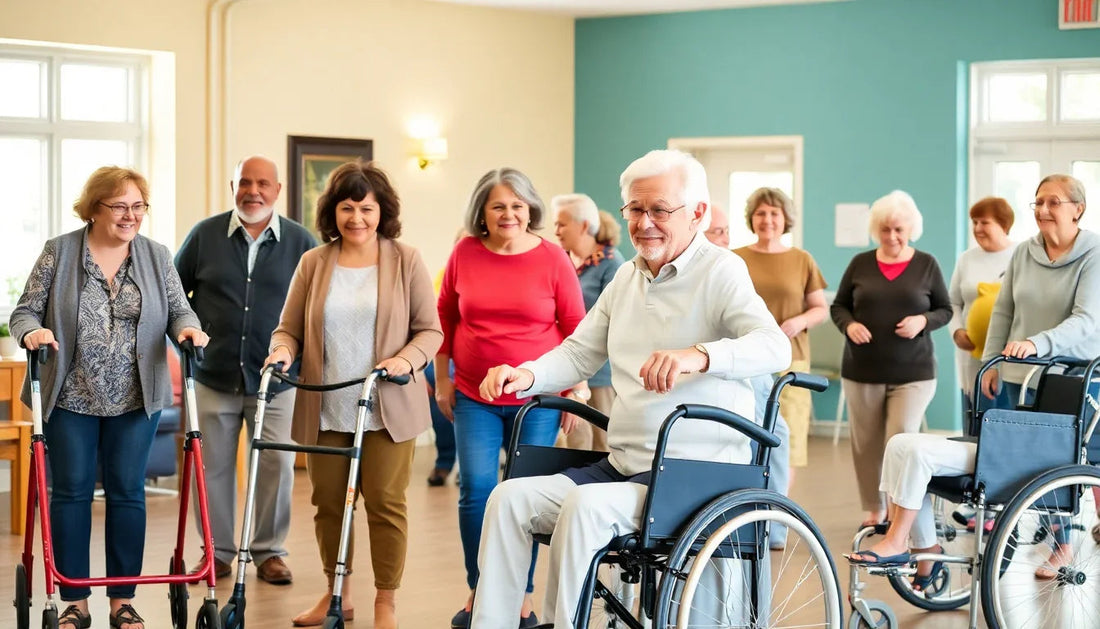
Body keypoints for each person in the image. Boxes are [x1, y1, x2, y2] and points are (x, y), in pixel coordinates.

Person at [469, 149, 791, 628]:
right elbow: (580, 353)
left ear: (697, 213)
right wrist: (528, 374)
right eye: (635, 210)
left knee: (582, 506)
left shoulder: (720, 270)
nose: (644, 224)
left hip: (692, 476)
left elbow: (774, 347)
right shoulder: (627, 277)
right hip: (624, 468)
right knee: (508, 498)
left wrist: (698, 355)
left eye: (659, 210)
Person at [848, 174, 1100, 583]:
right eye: (1038, 202)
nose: (1043, 210)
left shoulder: (1094, 253)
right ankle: (920, 547)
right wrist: (994, 360)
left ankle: (1061, 546)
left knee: (1051, 463)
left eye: (1053, 202)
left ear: (1078, 208)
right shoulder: (1025, 253)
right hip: (1020, 373)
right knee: (907, 444)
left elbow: (1088, 320)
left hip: (1069, 379)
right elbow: (1003, 310)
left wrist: (1038, 343)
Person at [9, 166, 209, 629]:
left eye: (138, 206)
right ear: (94, 208)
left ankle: (123, 600)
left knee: (127, 495)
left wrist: (187, 328)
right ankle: (75, 603)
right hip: (71, 395)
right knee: (72, 493)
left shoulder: (156, 257)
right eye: (119, 206)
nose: (130, 215)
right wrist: (33, 331)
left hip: (135, 398)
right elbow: (24, 310)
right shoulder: (59, 252)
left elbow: (180, 307)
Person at [265, 160, 442, 629]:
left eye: (366, 208)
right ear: (333, 212)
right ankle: (335, 593)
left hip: (387, 408)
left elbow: (430, 332)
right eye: (347, 208)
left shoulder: (406, 259)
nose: (357, 218)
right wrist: (281, 351)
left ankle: (386, 600)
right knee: (327, 503)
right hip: (326, 407)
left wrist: (405, 361)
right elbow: (288, 329)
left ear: (382, 211)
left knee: (385, 504)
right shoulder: (314, 262)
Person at [435, 168, 586, 628]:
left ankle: (520, 594)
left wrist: (574, 387)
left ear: (530, 209)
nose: (509, 214)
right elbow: (445, 317)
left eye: (518, 205)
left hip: (536, 399)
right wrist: (442, 378)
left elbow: (577, 327)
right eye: (499, 205)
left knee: (524, 497)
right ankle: (481, 586)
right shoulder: (464, 252)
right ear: (482, 211)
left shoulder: (553, 258)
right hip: (472, 395)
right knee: (476, 491)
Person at [174, 155, 317, 584]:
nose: (252, 191)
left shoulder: (301, 242)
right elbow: (174, 296)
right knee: (211, 466)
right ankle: (216, 553)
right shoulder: (205, 235)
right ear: (231, 186)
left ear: (277, 189)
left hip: (277, 381)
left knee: (275, 466)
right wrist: (185, 340)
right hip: (212, 374)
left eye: (262, 183)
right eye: (244, 183)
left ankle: (269, 552)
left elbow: (317, 309)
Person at [830, 190, 951, 529]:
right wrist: (849, 325)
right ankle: (873, 508)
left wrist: (923, 321)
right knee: (866, 443)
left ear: (911, 228)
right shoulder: (860, 264)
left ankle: (901, 510)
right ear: (876, 230)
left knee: (900, 440)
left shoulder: (926, 264)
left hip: (914, 372)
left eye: (899, 229)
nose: (892, 237)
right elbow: (838, 306)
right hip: (862, 369)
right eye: (885, 230)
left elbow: (945, 309)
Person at [733, 187, 828, 470]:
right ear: (752, 218)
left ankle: (779, 507)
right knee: (747, 433)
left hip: (791, 358)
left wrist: (800, 321)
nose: (767, 219)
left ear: (785, 218)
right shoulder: (734, 258)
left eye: (774, 213)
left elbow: (820, 309)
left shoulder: (802, 259)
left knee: (788, 439)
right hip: (747, 358)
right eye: (760, 213)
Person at [552, 195, 625, 451]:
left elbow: (616, 320)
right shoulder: (560, 261)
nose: (556, 231)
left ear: (583, 226)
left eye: (562, 224)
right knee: (572, 445)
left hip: (600, 373)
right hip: (564, 366)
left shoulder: (612, 263)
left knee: (601, 444)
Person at [948, 197, 1016, 410]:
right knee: (975, 412)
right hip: (971, 354)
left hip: (1008, 355)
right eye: (974, 222)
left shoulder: (1020, 255)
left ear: (1004, 225)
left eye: (984, 222)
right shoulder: (966, 259)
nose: (977, 228)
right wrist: (957, 331)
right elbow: (952, 302)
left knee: (1004, 412)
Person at [426, 228, 468, 487]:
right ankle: (444, 461)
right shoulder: (445, 273)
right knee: (435, 390)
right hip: (444, 350)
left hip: (470, 354)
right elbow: (436, 316)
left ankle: (467, 465)